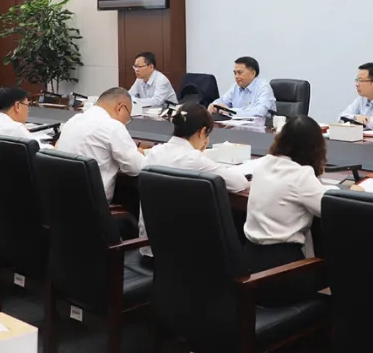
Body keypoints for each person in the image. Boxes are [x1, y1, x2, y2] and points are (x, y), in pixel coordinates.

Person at [139, 104, 249, 260]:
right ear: (202, 132)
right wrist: (200, 154)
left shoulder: (155, 152)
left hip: (150, 250)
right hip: (185, 258)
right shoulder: (194, 159)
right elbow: (239, 183)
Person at [243, 115, 329, 305]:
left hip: (249, 268)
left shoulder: (264, 163)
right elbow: (330, 208)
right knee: (342, 272)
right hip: (281, 274)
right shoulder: (301, 175)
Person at [58, 87, 146, 202]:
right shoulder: (112, 126)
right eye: (128, 117)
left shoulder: (73, 120)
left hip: (63, 201)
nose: (126, 122)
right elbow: (136, 168)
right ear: (120, 108)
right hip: (94, 207)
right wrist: (138, 154)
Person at [209, 56, 276, 118]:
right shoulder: (235, 87)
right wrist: (214, 105)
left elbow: (260, 112)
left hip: (262, 126)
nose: (236, 76)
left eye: (240, 72)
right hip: (237, 125)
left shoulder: (263, 87)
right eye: (235, 73)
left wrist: (230, 111)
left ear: (253, 73)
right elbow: (222, 101)